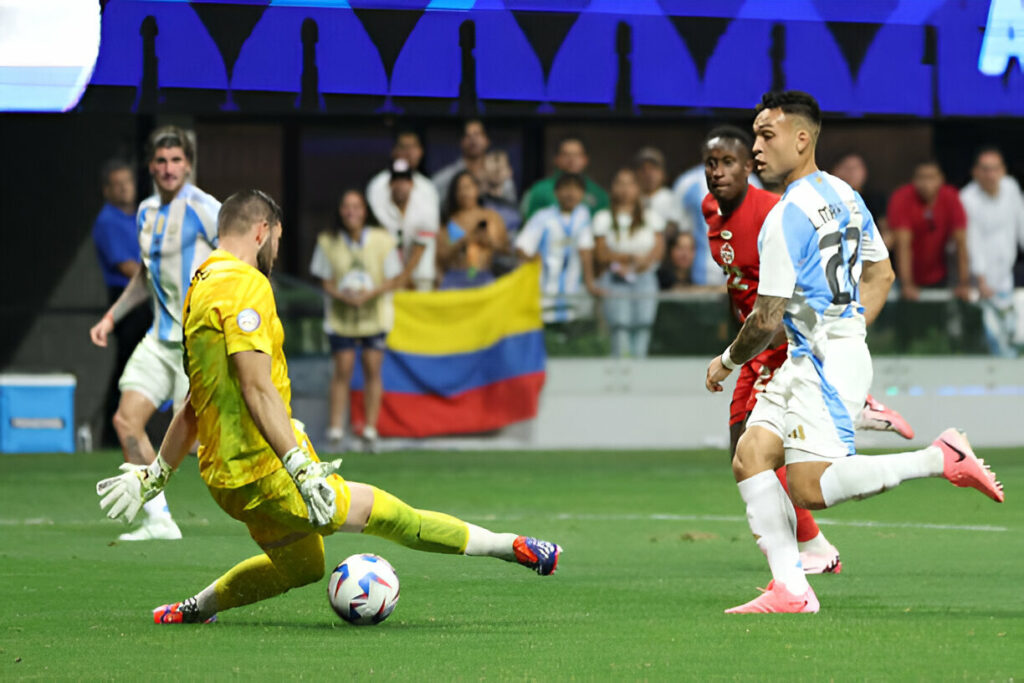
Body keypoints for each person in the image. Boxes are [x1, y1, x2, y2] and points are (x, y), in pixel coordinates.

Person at [94, 190, 562, 624]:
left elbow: (199, 399)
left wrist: (157, 473)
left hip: (225, 481)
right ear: (262, 229)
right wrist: (300, 467)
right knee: (393, 516)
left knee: (304, 567)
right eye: (277, 237)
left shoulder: (199, 285)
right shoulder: (244, 286)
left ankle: (194, 609)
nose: (277, 247)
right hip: (267, 470)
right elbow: (257, 389)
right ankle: (511, 546)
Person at [704, 91, 1003, 614]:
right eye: (754, 136)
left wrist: (726, 362)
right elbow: (881, 274)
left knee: (809, 489)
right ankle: (791, 590)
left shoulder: (780, 218)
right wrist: (845, 328)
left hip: (821, 363)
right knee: (751, 455)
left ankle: (940, 457)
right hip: (814, 355)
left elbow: (766, 317)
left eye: (766, 136)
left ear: (802, 139)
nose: (756, 148)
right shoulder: (844, 194)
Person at [699, 124, 914, 576]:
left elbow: (791, 289)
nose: (717, 173)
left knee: (760, 454)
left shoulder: (773, 212)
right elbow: (738, 284)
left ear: (748, 168)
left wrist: (824, 340)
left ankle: (813, 547)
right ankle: (809, 550)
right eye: (710, 164)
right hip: (758, 334)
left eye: (729, 163)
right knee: (751, 451)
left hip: (780, 336)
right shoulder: (711, 211)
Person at [89, 126, 221, 541]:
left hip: (198, 343)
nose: (169, 169)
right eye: (161, 161)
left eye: (177, 160)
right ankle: (159, 518)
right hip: (158, 340)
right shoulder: (145, 212)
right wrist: (112, 317)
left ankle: (295, 482)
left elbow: (239, 258)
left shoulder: (205, 208)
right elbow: (145, 276)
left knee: (214, 447)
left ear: (188, 164)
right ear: (151, 166)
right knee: (126, 422)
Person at [309, 189, 402, 453]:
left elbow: (394, 278)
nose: (352, 212)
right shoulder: (328, 241)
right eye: (346, 206)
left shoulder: (383, 240)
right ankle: (336, 430)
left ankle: (370, 429)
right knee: (343, 368)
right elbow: (325, 281)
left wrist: (370, 294)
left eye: (357, 206)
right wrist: (343, 296)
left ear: (365, 210)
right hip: (341, 317)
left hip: (375, 315)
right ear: (340, 211)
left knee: (373, 369)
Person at [91, 159, 151, 447]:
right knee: (129, 369)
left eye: (128, 182)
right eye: (118, 184)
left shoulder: (141, 216)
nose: (125, 189)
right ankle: (115, 435)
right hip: (128, 302)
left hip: (147, 298)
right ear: (107, 190)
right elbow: (129, 269)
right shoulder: (108, 220)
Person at [592, 167, 665, 359]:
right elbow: (601, 253)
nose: (625, 189)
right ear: (613, 188)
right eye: (620, 183)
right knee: (619, 327)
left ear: (638, 188)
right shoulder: (603, 217)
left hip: (645, 277)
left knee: (643, 325)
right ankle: (620, 372)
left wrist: (642, 264)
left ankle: (640, 368)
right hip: (615, 277)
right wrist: (629, 259)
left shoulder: (651, 217)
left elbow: (658, 249)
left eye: (630, 183)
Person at [960, 146, 1024, 358]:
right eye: (985, 169)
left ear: (1003, 170)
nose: (991, 175)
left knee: (1013, 334)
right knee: (987, 337)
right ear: (975, 172)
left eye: (995, 169)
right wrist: (981, 278)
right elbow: (972, 240)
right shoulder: (967, 198)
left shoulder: (1011, 188)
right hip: (979, 282)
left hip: (1007, 277)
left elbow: (1021, 224)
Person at [515, 173, 600, 323]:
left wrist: (590, 283)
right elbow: (522, 247)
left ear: (582, 194)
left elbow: (585, 251)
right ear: (556, 192)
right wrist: (531, 260)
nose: (571, 193)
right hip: (544, 291)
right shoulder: (542, 217)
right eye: (566, 188)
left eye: (576, 189)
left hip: (572, 291)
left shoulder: (583, 216)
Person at [888, 161, 971, 301]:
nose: (926, 184)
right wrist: (907, 284)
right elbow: (903, 246)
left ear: (941, 179)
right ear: (914, 180)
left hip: (940, 274)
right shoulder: (901, 198)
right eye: (922, 178)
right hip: (903, 278)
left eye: (931, 177)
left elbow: (961, 244)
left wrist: (963, 283)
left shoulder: (951, 197)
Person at [438, 170, 510, 289]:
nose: (464, 193)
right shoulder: (451, 221)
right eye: (459, 189)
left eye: (468, 187)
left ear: (476, 189)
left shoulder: (491, 217)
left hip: (483, 276)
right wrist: (465, 240)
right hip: (455, 278)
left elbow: (505, 249)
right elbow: (441, 256)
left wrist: (489, 242)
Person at [373, 159, 438, 291]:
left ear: (412, 184)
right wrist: (398, 279)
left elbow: (421, 245)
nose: (400, 185)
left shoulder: (426, 205)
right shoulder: (379, 206)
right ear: (389, 184)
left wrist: (405, 276)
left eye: (404, 180)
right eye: (396, 180)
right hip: (389, 277)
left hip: (420, 275)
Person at [366, 128, 440, 237]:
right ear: (394, 151)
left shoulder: (428, 188)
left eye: (413, 147)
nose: (408, 152)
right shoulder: (377, 185)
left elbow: (430, 230)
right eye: (403, 147)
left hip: (421, 251)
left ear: (420, 151)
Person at [432, 119, 516, 211]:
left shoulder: (500, 175)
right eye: (468, 135)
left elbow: (512, 208)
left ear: (487, 140)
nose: (473, 139)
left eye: (477, 134)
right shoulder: (447, 177)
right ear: (461, 142)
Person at [520, 135, 609, 220]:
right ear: (557, 159)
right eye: (566, 155)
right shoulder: (540, 190)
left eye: (576, 155)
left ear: (585, 159)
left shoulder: (598, 193)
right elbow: (530, 221)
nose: (571, 160)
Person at [831, 152, 893, 252]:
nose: (851, 173)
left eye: (855, 168)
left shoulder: (876, 200)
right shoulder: (824, 201)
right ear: (834, 171)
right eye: (846, 168)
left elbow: (888, 236)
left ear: (864, 172)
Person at [635, 147, 681, 235]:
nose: (648, 174)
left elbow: (675, 227)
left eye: (653, 169)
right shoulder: (631, 199)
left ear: (663, 174)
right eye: (643, 169)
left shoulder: (672, 198)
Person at [481, 149, 522, 236]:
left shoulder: (515, 209)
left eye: (501, 166)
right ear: (482, 170)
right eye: (493, 163)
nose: (497, 168)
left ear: (510, 172)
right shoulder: (474, 203)